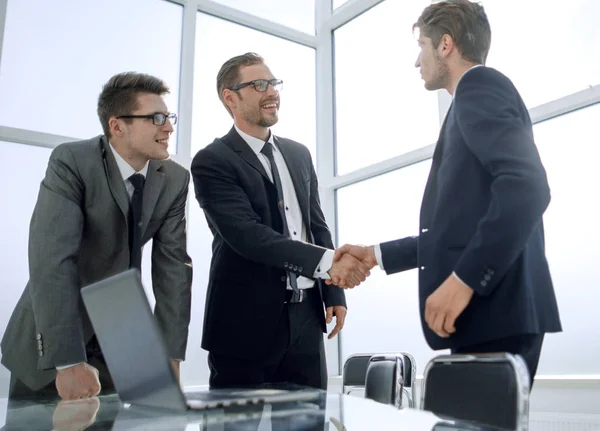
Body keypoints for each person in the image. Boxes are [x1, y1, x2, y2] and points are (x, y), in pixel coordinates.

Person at [332, 0, 561, 387]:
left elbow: (527, 186)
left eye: (421, 46)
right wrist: (375, 255)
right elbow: (457, 233)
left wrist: (464, 279)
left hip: (493, 313)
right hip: (490, 318)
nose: (416, 61)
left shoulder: (480, 87)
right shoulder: (469, 101)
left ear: (445, 45)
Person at [1, 72, 193, 400]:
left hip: (122, 339)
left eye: (169, 117)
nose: (169, 127)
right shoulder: (72, 161)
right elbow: (53, 259)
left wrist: (170, 355)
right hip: (57, 332)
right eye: (157, 118)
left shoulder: (174, 178)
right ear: (117, 126)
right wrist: (68, 361)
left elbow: (174, 270)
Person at [191, 53, 369, 390]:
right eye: (259, 85)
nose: (272, 92)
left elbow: (317, 227)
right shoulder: (212, 161)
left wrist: (333, 292)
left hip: (306, 321)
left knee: (309, 425)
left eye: (274, 83)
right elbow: (248, 236)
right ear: (231, 97)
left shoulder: (299, 154)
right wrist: (331, 262)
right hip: (243, 324)